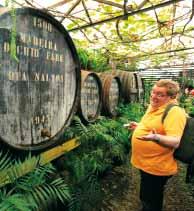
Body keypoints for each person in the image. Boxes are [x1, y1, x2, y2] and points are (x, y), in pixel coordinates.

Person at [127, 79, 187, 211]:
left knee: (151, 200)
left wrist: (156, 137)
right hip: (146, 164)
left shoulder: (175, 112)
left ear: (172, 97)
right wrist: (138, 126)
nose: (154, 96)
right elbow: (154, 125)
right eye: (153, 92)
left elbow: (175, 141)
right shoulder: (155, 106)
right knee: (146, 196)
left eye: (160, 94)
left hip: (157, 166)